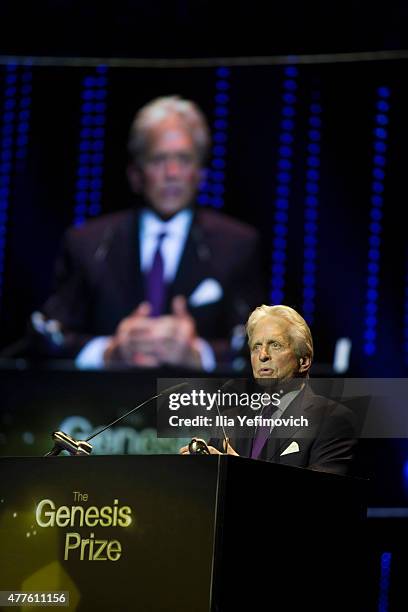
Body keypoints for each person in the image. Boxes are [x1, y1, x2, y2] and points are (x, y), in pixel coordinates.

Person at [35, 96, 263, 369]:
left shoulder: (237, 244)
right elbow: (44, 337)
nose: (172, 172)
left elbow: (262, 346)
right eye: (158, 159)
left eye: (184, 159)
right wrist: (109, 353)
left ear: (201, 174)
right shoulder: (87, 243)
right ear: (135, 174)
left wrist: (198, 354)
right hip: (105, 403)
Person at [180, 304, 357, 475]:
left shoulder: (332, 420)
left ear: (303, 361)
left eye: (275, 345)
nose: (262, 355)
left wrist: (238, 471)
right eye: (256, 346)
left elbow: (322, 499)